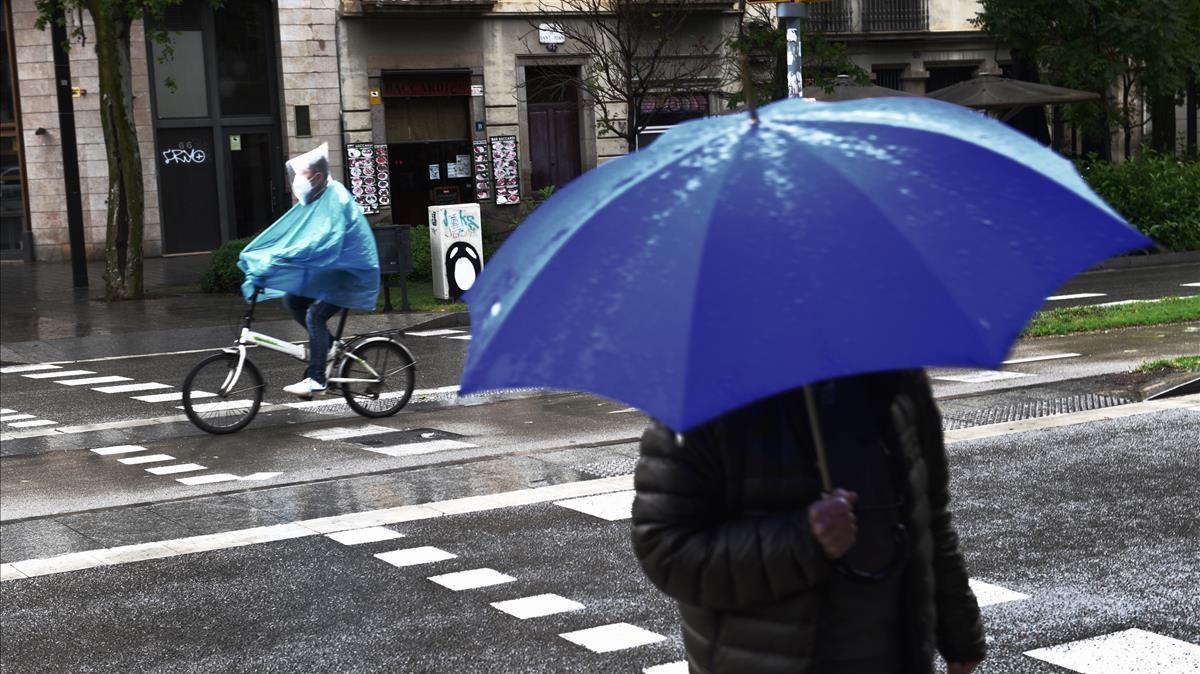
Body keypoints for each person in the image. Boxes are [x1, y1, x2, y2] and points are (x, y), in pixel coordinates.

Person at [631, 369, 985, 674]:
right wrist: (802, 541)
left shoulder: (897, 378)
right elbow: (666, 548)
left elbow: (931, 514)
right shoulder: (702, 400)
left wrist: (958, 628)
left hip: (892, 655)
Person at [237, 143, 380, 399]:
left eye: (301, 175)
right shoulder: (317, 197)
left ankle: (317, 379)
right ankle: (326, 346)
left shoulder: (335, 197)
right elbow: (291, 234)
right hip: (335, 269)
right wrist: (267, 257)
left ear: (317, 176)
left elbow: (323, 240)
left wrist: (280, 257)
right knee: (292, 300)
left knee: (315, 315)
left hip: (350, 273)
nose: (297, 181)